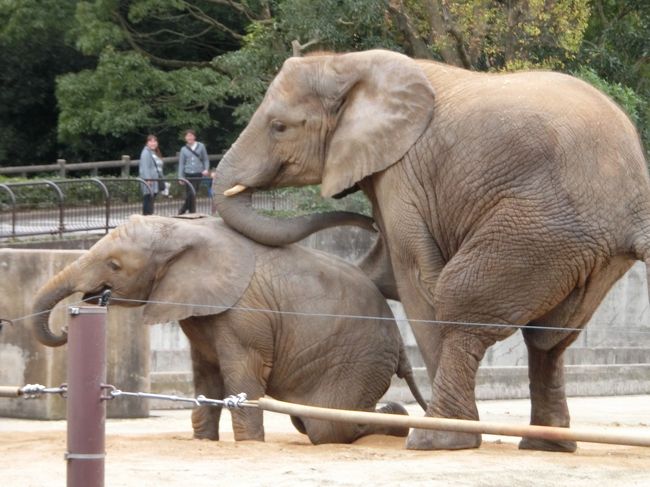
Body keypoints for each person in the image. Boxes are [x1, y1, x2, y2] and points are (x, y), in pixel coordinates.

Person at [178, 129, 209, 214]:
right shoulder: (183, 149)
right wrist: (180, 176)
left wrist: (206, 169)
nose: (189, 137)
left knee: (193, 193)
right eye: (188, 136)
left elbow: (205, 159)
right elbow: (181, 164)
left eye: (191, 135)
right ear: (185, 138)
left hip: (198, 173)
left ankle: (184, 209)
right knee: (190, 194)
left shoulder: (201, 146)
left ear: (194, 137)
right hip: (188, 174)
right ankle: (191, 212)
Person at [138, 134, 164, 215]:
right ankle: (146, 216)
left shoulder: (154, 152)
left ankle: (149, 215)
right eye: (151, 141)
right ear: (147, 143)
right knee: (148, 198)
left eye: (155, 141)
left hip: (155, 180)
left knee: (151, 198)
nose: (153, 143)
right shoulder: (146, 152)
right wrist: (147, 178)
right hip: (149, 180)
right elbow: (145, 166)